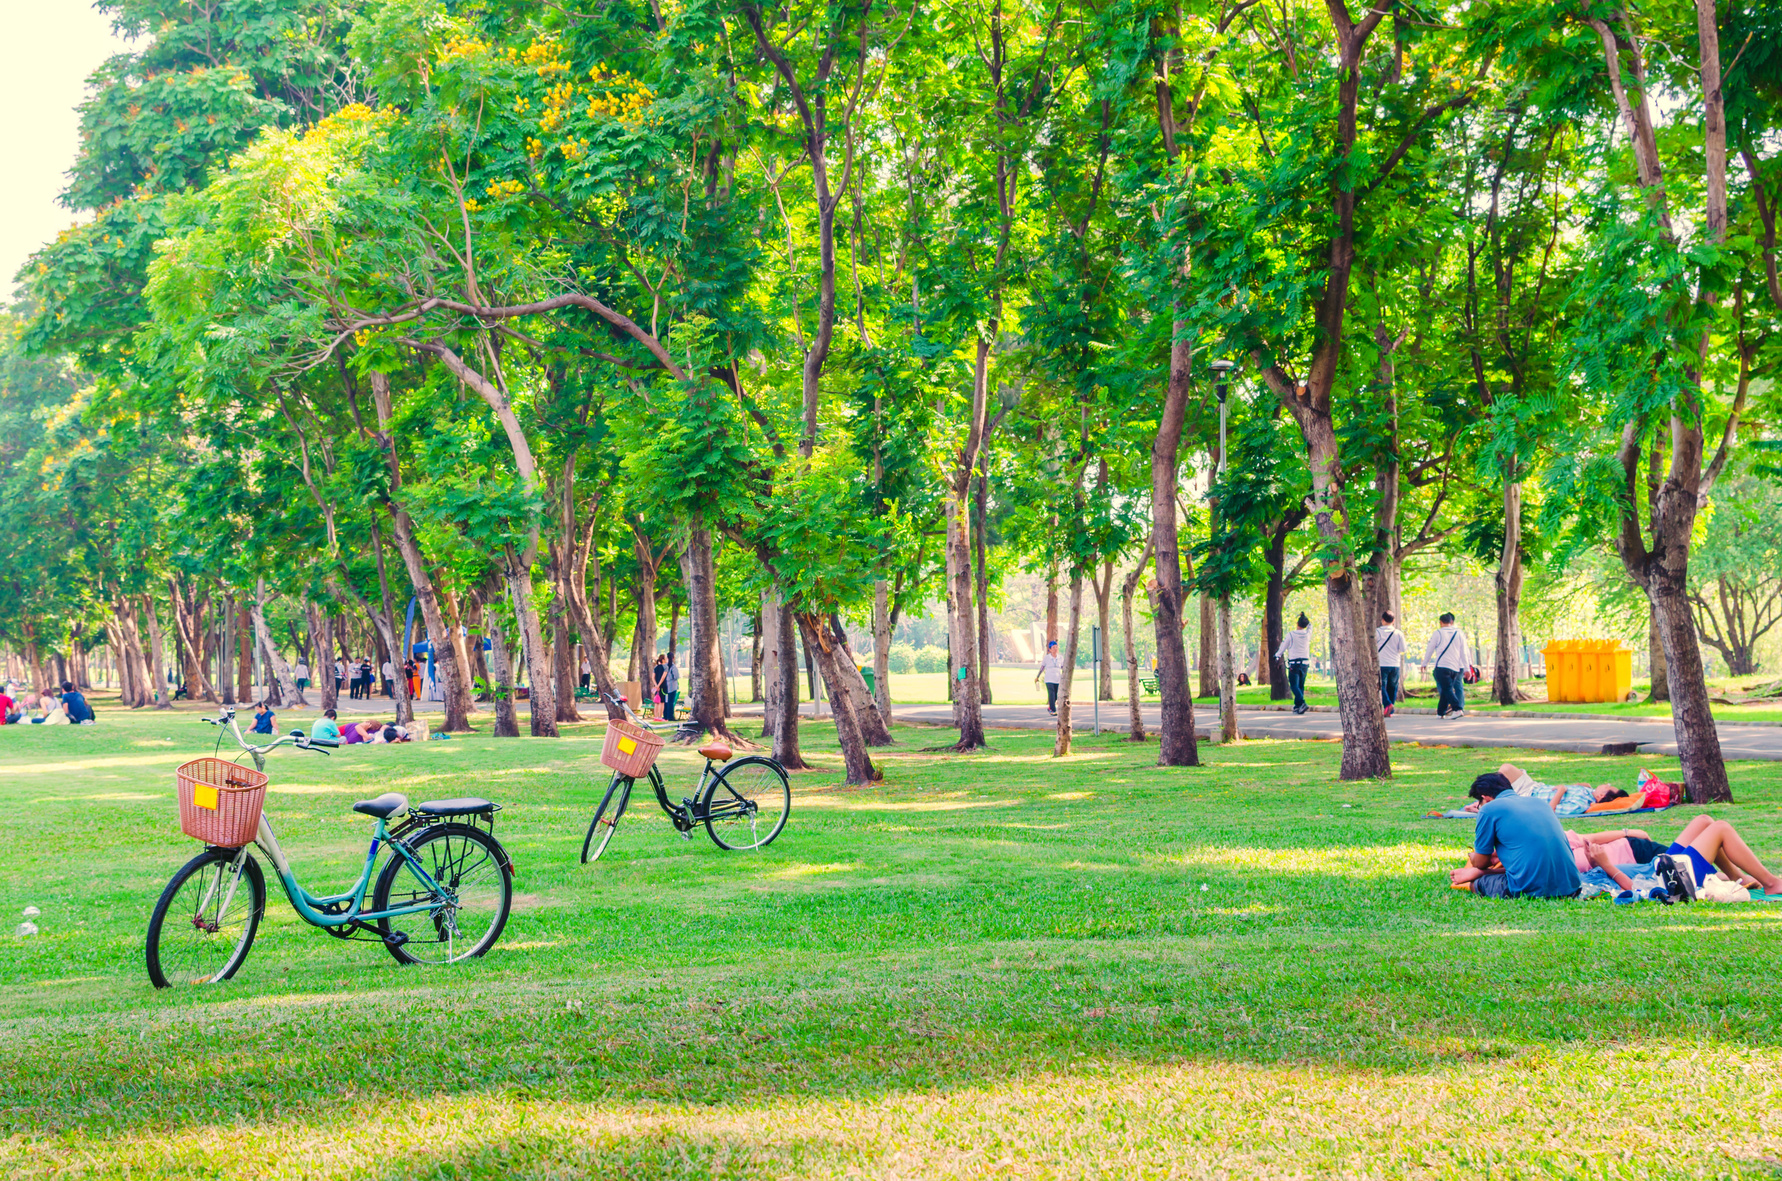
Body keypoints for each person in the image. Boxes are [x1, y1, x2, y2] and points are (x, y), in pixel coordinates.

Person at [1449, 771, 1581, 898]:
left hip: (1531, 890)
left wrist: (1473, 858)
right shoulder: (1540, 803)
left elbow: (1481, 862)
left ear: (1485, 798)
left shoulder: (1489, 809)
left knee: (1479, 883)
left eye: (1479, 804)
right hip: (1571, 888)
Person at [1423, 611, 1471, 718]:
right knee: (1446, 689)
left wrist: (1424, 663)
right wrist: (1467, 668)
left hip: (1442, 666)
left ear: (1440, 622)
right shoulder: (1459, 633)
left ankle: (1457, 709)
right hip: (1455, 668)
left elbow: (1430, 649)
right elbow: (1464, 652)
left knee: (1447, 689)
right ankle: (1441, 713)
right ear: (1451, 622)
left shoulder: (1438, 633)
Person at [1275, 613, 1313, 714]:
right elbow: (1310, 625)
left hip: (1294, 663)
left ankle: (1303, 703)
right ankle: (1297, 706)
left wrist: (1277, 655)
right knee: (1300, 685)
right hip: (1305, 663)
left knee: (1293, 685)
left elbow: (1283, 646)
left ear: (1297, 623)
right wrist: (1304, 616)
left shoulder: (1291, 634)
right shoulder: (1307, 634)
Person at [1376, 611, 1405, 717]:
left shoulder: (1377, 632)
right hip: (1395, 664)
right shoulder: (1398, 633)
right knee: (1393, 687)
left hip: (1382, 663)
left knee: (1381, 686)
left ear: (1382, 620)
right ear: (1393, 621)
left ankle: (1387, 704)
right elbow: (1403, 649)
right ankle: (1390, 710)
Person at [1036, 640, 1063, 716]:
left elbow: (1063, 667)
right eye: (1053, 647)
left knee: (1056, 695)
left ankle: (1050, 707)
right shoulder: (1047, 658)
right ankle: (1053, 710)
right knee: (1051, 694)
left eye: (1056, 647)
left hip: (1057, 679)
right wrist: (1037, 676)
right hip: (1049, 679)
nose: (1055, 649)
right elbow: (1042, 667)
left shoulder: (1060, 657)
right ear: (1050, 649)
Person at [661, 655, 680, 721]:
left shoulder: (664, 666)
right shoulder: (673, 667)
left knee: (666, 702)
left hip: (665, 687)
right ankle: (670, 716)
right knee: (671, 702)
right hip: (672, 686)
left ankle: (665, 715)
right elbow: (676, 676)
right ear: (673, 658)